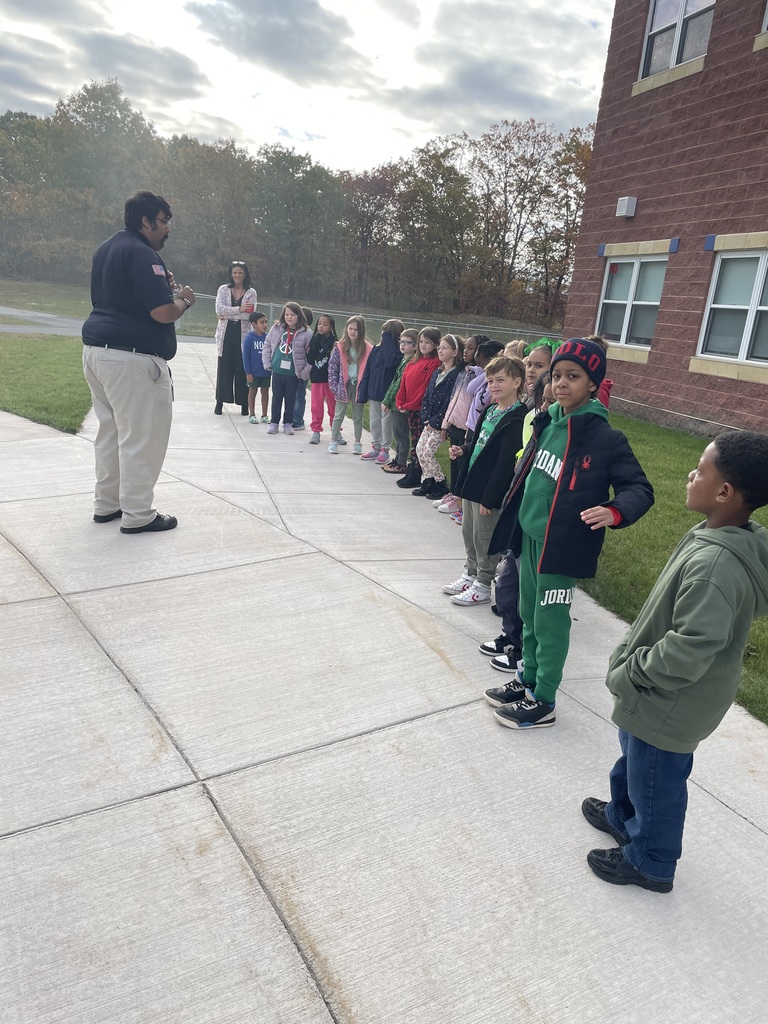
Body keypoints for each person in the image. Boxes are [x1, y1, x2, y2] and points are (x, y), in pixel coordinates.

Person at [584, 431, 768, 892]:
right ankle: (622, 816)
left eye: (700, 470)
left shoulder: (717, 565)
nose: (690, 474)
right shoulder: (722, 534)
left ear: (724, 492)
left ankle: (652, 861)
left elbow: (691, 647)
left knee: (656, 781)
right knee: (635, 760)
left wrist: (634, 671)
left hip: (668, 696)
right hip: (657, 696)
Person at [485, 338, 654, 729]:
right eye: (556, 375)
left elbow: (639, 489)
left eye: (573, 377)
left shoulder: (604, 438)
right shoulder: (547, 422)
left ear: (592, 383)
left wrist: (614, 511)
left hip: (559, 547)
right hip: (528, 538)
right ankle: (528, 679)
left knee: (550, 622)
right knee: (528, 614)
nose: (561, 383)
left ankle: (544, 700)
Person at [82, 189, 195, 534]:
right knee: (142, 437)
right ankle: (138, 513)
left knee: (110, 432)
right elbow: (163, 312)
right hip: (132, 360)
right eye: (164, 221)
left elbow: (124, 297)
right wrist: (184, 300)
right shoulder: (144, 254)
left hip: (97, 352)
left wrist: (163, 288)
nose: (168, 228)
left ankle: (107, 504)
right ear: (145, 221)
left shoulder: (107, 249)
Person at [442, 356, 527, 605]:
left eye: (500, 380)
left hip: (489, 492)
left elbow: (504, 464)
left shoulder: (517, 418)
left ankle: (483, 584)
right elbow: (478, 442)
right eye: (490, 381)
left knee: (485, 538)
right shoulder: (490, 410)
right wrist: (463, 450)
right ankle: (470, 573)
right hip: (473, 485)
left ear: (517, 382)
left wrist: (490, 498)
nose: (494, 386)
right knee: (469, 533)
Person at [412, 334, 463, 499]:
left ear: (455, 352)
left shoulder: (456, 375)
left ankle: (440, 483)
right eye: (439, 347)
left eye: (445, 348)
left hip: (440, 422)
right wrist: (426, 416)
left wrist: (436, 421)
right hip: (429, 420)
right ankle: (428, 481)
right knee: (420, 450)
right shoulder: (438, 372)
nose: (440, 350)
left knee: (428, 452)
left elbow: (449, 401)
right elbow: (428, 395)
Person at [436, 333, 480, 517]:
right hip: (454, 423)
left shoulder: (478, 376)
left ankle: (460, 498)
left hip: (466, 427)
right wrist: (445, 424)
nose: (466, 351)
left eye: (471, 348)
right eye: (466, 347)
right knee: (454, 461)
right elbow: (454, 399)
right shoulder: (463, 372)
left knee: (462, 464)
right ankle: (453, 492)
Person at [394, 327, 441, 489]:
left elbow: (424, 388)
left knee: (419, 441)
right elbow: (404, 383)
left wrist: (410, 404)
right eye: (421, 342)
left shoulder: (434, 363)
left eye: (427, 342)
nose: (423, 345)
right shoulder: (413, 361)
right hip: (410, 408)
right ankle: (413, 470)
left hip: (421, 408)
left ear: (435, 345)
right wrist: (400, 401)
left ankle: (417, 472)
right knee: (414, 439)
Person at [357, 318, 404, 464]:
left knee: (386, 423)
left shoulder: (397, 353)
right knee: (374, 421)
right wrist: (364, 391)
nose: (383, 336)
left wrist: (388, 341)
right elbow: (368, 370)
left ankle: (385, 449)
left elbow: (390, 363)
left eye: (387, 334)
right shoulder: (376, 350)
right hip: (374, 393)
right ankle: (376, 446)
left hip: (387, 396)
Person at [214, 261, 256, 415]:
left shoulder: (251, 292)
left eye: (240, 273)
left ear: (245, 275)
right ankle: (220, 402)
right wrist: (239, 309)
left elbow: (249, 315)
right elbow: (219, 309)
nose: (237, 275)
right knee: (224, 367)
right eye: (235, 273)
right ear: (231, 274)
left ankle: (244, 404)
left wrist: (227, 314)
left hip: (242, 334)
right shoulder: (223, 289)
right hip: (226, 333)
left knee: (242, 368)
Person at [262, 302, 312, 434]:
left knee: (290, 399)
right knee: (276, 397)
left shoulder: (306, 333)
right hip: (277, 370)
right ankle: (274, 422)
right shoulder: (277, 328)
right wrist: (267, 363)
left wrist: (304, 372)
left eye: (293, 315)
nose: (289, 317)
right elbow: (267, 344)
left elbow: (311, 355)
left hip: (293, 373)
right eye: (287, 314)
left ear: (299, 316)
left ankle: (288, 423)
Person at [327, 315, 372, 455]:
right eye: (350, 328)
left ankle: (357, 442)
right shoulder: (340, 347)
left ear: (361, 331)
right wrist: (335, 386)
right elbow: (332, 368)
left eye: (356, 329)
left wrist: (367, 387)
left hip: (358, 387)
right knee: (339, 414)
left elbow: (370, 369)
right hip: (343, 386)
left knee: (358, 416)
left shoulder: (367, 349)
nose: (352, 332)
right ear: (346, 329)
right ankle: (333, 441)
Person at [381, 328, 418, 474]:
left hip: (401, 404)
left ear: (415, 346)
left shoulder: (411, 362)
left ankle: (402, 462)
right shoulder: (404, 360)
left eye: (407, 342)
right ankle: (397, 459)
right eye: (401, 342)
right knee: (397, 432)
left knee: (401, 434)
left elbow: (398, 384)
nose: (403, 345)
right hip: (397, 403)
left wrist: (387, 400)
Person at [307, 313, 338, 444]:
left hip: (331, 379)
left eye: (325, 325)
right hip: (317, 378)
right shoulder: (314, 339)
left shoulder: (335, 342)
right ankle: (316, 431)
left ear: (331, 327)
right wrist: (316, 343)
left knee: (333, 406)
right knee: (316, 406)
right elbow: (309, 359)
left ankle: (336, 431)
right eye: (319, 324)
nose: (321, 326)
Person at [291, 306, 314, 429]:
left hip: (302, 371)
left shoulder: (309, 335)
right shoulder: (294, 332)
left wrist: (305, 372)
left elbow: (310, 356)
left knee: (299, 396)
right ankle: (290, 418)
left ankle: (298, 421)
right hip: (292, 370)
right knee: (291, 395)